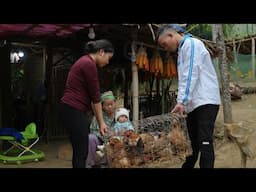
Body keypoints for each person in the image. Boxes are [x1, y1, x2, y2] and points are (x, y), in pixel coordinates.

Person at [156, 24, 221, 168]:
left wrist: (181, 101)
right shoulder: (183, 50)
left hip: (205, 101)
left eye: (164, 44)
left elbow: (190, 74)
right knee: (193, 144)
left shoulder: (191, 44)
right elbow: (185, 78)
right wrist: (183, 104)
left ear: (171, 35)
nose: (165, 48)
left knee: (204, 141)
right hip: (194, 103)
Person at [59, 39, 114, 168]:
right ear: (101, 52)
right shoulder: (89, 64)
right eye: (108, 57)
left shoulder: (84, 61)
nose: (107, 61)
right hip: (73, 109)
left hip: (70, 109)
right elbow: (96, 97)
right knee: (81, 151)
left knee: (80, 150)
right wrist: (101, 122)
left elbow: (92, 99)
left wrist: (99, 120)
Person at [86, 91, 116, 168]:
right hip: (100, 140)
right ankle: (89, 164)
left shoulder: (120, 114)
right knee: (90, 138)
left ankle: (107, 163)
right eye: (107, 105)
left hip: (115, 140)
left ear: (115, 103)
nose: (110, 107)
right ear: (102, 106)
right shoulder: (99, 116)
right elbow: (93, 130)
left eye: (111, 104)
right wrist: (105, 136)